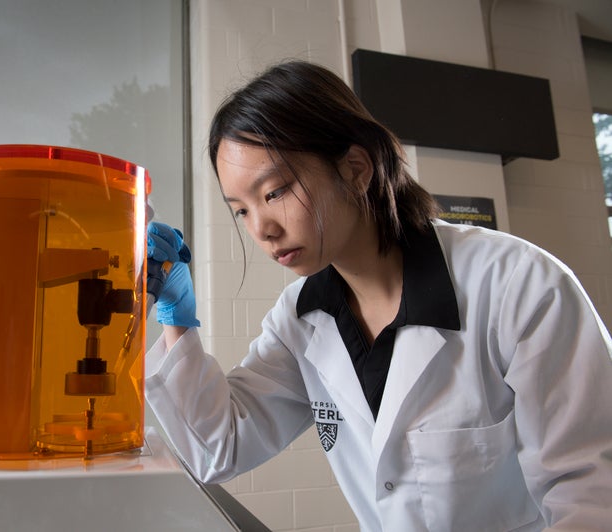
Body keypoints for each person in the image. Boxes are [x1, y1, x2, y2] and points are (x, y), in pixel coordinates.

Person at [144, 60, 612, 531]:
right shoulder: (300, 319)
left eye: (276, 191)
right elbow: (220, 449)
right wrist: (175, 317)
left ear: (355, 169)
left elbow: (591, 497)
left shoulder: (519, 286)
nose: (261, 229)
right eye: (241, 210)